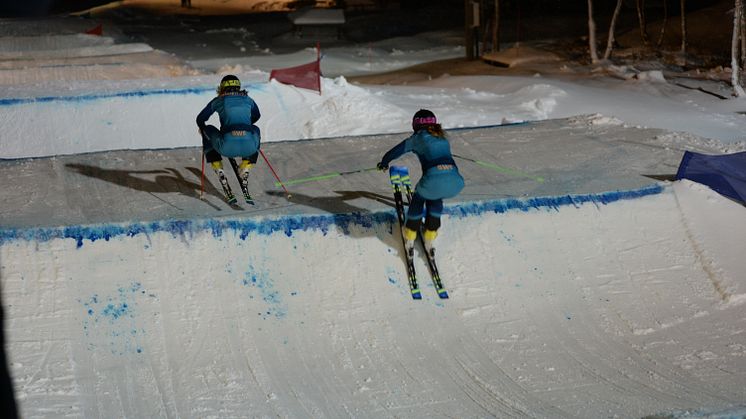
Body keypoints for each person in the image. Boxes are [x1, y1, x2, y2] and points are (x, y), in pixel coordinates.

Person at [377, 109, 464, 255]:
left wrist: (384, 163)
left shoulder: (417, 138)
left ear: (415, 125)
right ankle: (431, 233)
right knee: (435, 196)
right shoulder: (443, 137)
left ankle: (410, 233)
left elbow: (394, 152)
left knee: (418, 199)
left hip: (433, 180)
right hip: (456, 182)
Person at [196, 75, 261, 191]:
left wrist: (202, 129)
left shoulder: (218, 100)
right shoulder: (248, 100)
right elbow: (257, 115)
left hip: (225, 147)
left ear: (221, 88)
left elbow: (200, 119)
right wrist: (245, 126)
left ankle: (218, 167)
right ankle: (247, 165)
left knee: (207, 128)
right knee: (255, 129)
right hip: (250, 148)